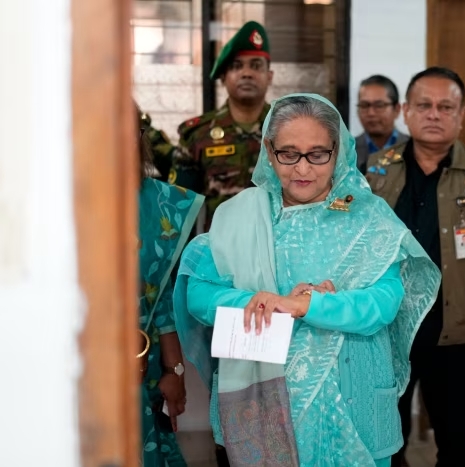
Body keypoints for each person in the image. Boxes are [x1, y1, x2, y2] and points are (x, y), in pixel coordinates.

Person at [173, 94, 441, 466]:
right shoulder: (241, 216)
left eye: (318, 154)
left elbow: (385, 301)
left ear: (339, 151)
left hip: (353, 394)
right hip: (268, 402)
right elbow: (199, 294)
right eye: (289, 153)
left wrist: (307, 305)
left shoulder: (368, 216)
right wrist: (258, 300)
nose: (303, 168)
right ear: (269, 150)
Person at [366, 66, 465, 467]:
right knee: (385, 435)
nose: (434, 114)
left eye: (445, 106)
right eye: (424, 105)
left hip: (453, 333)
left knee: (454, 435)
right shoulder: (374, 172)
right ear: (406, 111)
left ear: (461, 114)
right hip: (387, 329)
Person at [136, 103, 204, 466]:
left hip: (140, 367)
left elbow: (161, 295)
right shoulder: (50, 201)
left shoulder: (162, 204)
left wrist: (173, 370)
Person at [171, 20, 273, 230]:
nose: (247, 73)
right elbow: (177, 209)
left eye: (256, 65)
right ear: (224, 78)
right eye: (237, 66)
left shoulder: (289, 129)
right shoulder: (197, 135)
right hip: (217, 254)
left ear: (269, 76)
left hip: (279, 253)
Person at [355, 75, 409, 173]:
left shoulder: (413, 150)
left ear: (397, 109)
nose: (371, 113)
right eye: (364, 105)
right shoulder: (345, 152)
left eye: (379, 105)